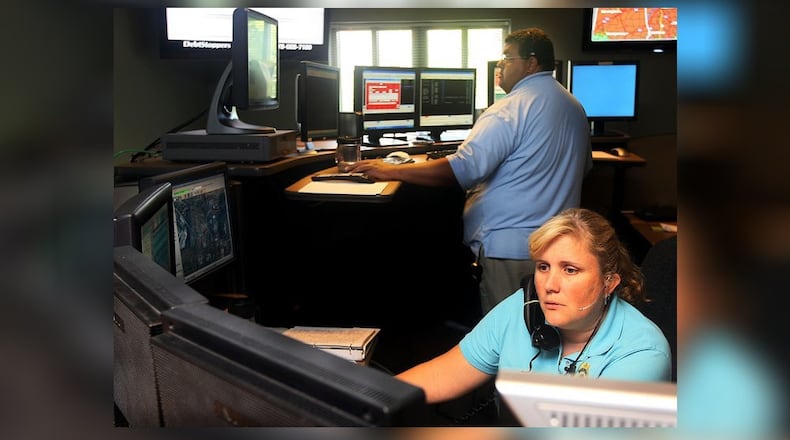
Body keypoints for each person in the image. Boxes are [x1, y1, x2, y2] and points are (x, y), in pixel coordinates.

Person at [346, 28, 592, 315]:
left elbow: (463, 169)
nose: (500, 66)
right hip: (558, 244)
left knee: (508, 336)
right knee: (543, 328)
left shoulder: (510, 108)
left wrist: (391, 171)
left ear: (531, 62)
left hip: (510, 249)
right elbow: (583, 168)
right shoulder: (574, 107)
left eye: (506, 58)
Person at [395, 208, 672, 404]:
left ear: (609, 283)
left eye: (570, 270)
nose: (550, 284)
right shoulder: (524, 308)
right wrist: (371, 401)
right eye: (543, 267)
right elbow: (443, 374)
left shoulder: (642, 354)